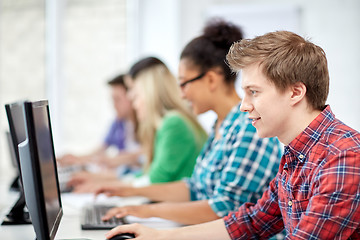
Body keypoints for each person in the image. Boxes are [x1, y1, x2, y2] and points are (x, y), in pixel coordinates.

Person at [104, 30, 360, 240]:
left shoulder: (343, 156)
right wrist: (157, 236)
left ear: (295, 93)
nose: (243, 105)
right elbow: (250, 222)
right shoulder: (296, 155)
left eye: (254, 92)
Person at [96, 19, 282, 227]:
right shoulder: (221, 126)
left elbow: (224, 209)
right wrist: (130, 192)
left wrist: (147, 210)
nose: (181, 95)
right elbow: (194, 188)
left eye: (184, 83)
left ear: (211, 79)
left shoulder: (248, 128)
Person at [58, 74, 142, 184]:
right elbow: (100, 149)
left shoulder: (146, 123)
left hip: (133, 178)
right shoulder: (118, 123)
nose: (114, 105)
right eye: (112, 100)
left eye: (118, 99)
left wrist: (114, 160)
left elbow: (141, 155)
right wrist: (78, 158)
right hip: (124, 176)